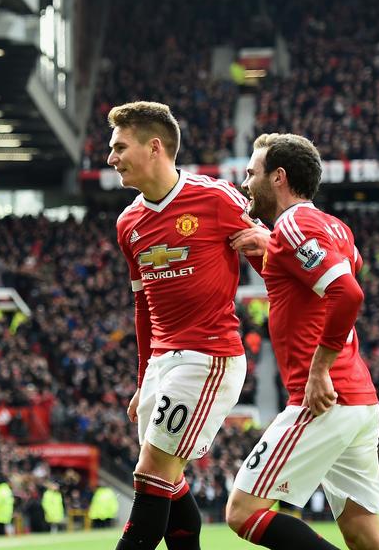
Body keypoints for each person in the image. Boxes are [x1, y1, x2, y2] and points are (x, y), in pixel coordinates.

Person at [224, 133, 379, 550]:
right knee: (368, 538)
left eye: (252, 173)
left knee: (243, 512)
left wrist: (319, 369)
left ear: (279, 178)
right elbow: (313, 284)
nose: (246, 181)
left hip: (325, 400)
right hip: (359, 402)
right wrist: (267, 251)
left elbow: (348, 294)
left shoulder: (291, 225)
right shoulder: (333, 227)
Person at [106, 101, 251, 550]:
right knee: (170, 483)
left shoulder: (216, 199)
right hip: (161, 364)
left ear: (155, 147)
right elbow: (142, 308)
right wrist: (142, 377)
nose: (111, 158)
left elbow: (273, 261)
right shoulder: (128, 223)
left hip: (208, 356)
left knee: (150, 477)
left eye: (119, 147)